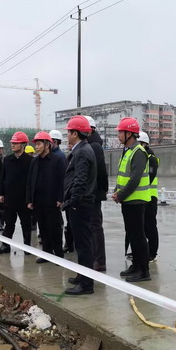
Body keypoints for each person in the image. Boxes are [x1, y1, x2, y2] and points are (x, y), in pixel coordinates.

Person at [112, 117, 151, 283]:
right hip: (128, 201)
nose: (118, 135)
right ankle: (136, 265)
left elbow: (134, 179)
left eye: (120, 132)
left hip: (136, 201)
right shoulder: (128, 151)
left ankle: (144, 271)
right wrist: (117, 191)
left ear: (129, 134)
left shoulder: (138, 152)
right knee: (132, 235)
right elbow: (123, 176)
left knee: (138, 236)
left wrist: (121, 195)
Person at [63, 116, 97, 295]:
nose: (67, 135)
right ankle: (82, 275)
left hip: (80, 204)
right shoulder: (82, 149)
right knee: (80, 243)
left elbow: (80, 180)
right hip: (80, 203)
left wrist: (74, 202)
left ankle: (86, 284)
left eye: (68, 132)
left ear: (75, 133)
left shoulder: (82, 152)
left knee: (83, 244)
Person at [26, 131, 66, 263]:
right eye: (36, 144)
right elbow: (30, 182)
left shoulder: (57, 160)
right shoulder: (34, 162)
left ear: (47, 145)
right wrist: (29, 200)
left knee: (55, 228)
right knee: (43, 228)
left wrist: (60, 198)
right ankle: (47, 253)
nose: (37, 147)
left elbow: (62, 181)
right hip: (38, 201)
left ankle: (58, 254)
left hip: (52, 201)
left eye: (39, 144)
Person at [0, 131, 33, 255]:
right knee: (9, 223)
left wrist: (30, 198)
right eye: (12, 143)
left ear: (23, 144)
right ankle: (5, 246)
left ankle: (27, 247)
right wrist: (1, 193)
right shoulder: (7, 160)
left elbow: (32, 181)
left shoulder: (30, 161)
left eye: (16, 143)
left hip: (24, 199)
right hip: (10, 198)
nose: (12, 145)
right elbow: (3, 178)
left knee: (26, 224)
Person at [84, 115, 109, 272]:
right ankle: (94, 257)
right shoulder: (91, 145)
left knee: (95, 226)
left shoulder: (94, 146)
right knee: (91, 226)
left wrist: (101, 190)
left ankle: (99, 260)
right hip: (90, 192)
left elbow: (101, 172)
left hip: (93, 193)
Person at [137, 131, 160, 262]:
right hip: (143, 196)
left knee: (150, 226)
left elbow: (150, 177)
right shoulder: (142, 156)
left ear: (144, 144)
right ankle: (143, 250)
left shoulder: (150, 158)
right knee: (142, 226)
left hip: (150, 197)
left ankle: (152, 252)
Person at [49, 129, 72, 252]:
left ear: (55, 142)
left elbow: (62, 178)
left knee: (60, 220)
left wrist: (61, 197)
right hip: (54, 193)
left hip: (59, 194)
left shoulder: (60, 156)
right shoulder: (53, 155)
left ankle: (66, 244)